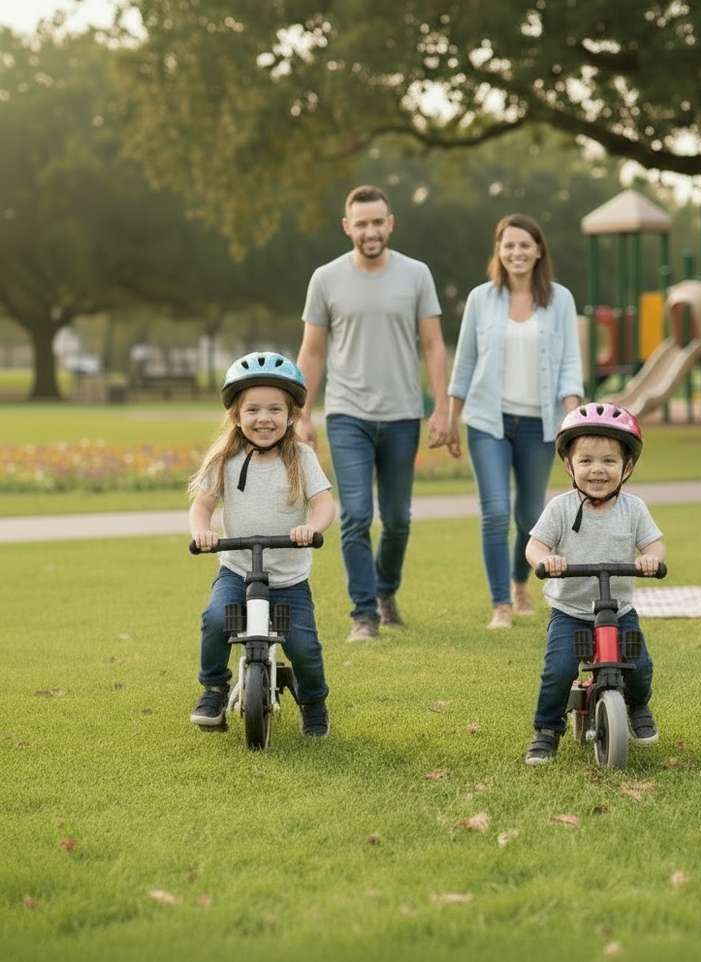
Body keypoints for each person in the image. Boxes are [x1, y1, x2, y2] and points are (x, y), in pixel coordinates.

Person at [296, 184, 453, 642]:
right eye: (360, 223)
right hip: (347, 414)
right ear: (348, 227)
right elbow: (312, 351)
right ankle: (363, 613)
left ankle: (386, 593)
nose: (370, 230)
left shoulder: (416, 274)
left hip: (404, 414)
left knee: (399, 517)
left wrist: (441, 407)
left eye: (377, 221)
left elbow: (433, 344)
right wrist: (302, 414)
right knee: (357, 515)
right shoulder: (325, 278)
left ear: (391, 223)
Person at [188, 352, 336, 736]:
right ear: (236, 415)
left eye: (275, 409)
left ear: (292, 415)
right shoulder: (225, 458)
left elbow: (323, 504)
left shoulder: (301, 457)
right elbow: (201, 506)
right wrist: (202, 532)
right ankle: (214, 689)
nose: (264, 418)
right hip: (237, 570)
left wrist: (311, 528)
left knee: (303, 645)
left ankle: (314, 701)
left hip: (288, 578)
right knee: (216, 619)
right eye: (253, 409)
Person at [447, 214, 584, 629]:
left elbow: (569, 365)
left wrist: (574, 419)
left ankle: (519, 582)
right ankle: (501, 604)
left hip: (540, 425)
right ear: (499, 251)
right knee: (494, 512)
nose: (517, 252)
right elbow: (466, 360)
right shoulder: (480, 299)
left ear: (539, 250)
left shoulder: (559, 299)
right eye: (509, 245)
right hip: (489, 420)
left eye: (524, 245)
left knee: (529, 516)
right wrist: (451, 418)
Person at [523, 402, 665, 765]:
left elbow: (653, 543)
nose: (597, 470)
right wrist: (545, 560)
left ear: (627, 466)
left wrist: (651, 558)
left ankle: (636, 706)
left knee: (639, 665)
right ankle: (546, 729)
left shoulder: (633, 509)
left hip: (619, 610)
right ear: (569, 465)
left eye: (609, 461)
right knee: (558, 669)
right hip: (570, 611)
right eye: (586, 460)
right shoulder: (560, 508)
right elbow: (534, 545)